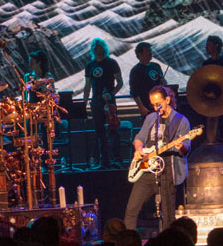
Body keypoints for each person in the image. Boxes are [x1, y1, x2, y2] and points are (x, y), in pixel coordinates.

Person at [124, 85, 192, 229]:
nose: (156, 108)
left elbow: (186, 148)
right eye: (153, 105)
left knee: (168, 216)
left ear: (167, 100)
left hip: (166, 172)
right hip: (145, 170)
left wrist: (182, 147)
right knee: (131, 210)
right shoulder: (150, 118)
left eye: (158, 104)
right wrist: (139, 150)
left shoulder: (181, 121)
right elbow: (139, 138)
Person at [82, 37, 122, 168]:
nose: (98, 49)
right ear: (93, 49)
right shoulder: (90, 66)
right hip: (96, 101)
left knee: (113, 130)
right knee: (99, 131)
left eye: (100, 46)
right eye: (95, 47)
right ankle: (103, 161)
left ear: (104, 48)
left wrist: (111, 93)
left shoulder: (112, 63)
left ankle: (116, 159)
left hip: (109, 101)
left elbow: (120, 82)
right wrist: (84, 102)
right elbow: (87, 86)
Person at [129, 42, 164, 118]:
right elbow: (134, 92)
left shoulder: (156, 66)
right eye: (147, 51)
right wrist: (141, 108)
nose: (150, 53)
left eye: (150, 51)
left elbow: (162, 81)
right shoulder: (136, 71)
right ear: (140, 54)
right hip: (147, 105)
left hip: (160, 104)